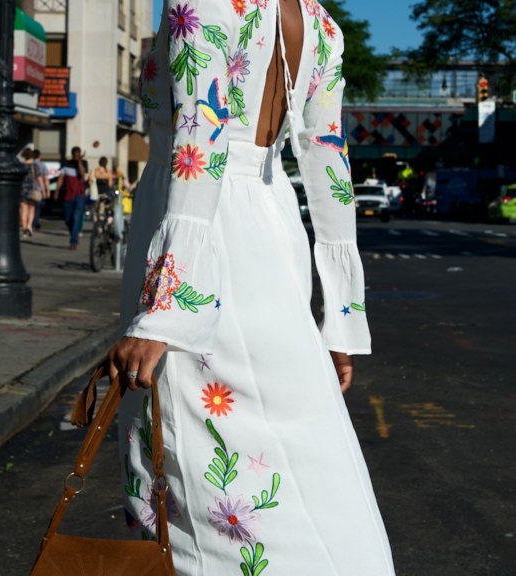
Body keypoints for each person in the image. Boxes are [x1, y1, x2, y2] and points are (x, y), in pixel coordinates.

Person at [106, 1, 396, 574]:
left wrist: (167, 311)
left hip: (203, 230)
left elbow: (201, 139)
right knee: (300, 439)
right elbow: (328, 162)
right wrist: (341, 314)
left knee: (189, 451)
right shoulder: (319, 25)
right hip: (270, 222)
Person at [55, 147, 88, 250]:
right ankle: (74, 232)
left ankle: (73, 242)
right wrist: (57, 190)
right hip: (68, 195)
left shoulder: (84, 163)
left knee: (76, 217)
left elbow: (82, 174)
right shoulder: (65, 164)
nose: (76, 157)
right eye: (74, 156)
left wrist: (79, 161)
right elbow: (61, 178)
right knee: (68, 218)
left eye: (78, 156)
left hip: (79, 195)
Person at [20, 148, 43, 237]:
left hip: (22, 190)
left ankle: (24, 229)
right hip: (32, 190)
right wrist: (43, 189)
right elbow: (39, 179)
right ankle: (29, 226)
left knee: (23, 210)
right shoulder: (35, 166)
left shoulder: (21, 166)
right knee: (32, 210)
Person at [32, 149, 50, 231]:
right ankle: (35, 224)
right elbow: (45, 179)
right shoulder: (42, 165)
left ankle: (29, 223)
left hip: (28, 189)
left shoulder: (29, 164)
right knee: (37, 208)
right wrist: (46, 190)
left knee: (30, 207)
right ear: (40, 156)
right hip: (38, 189)